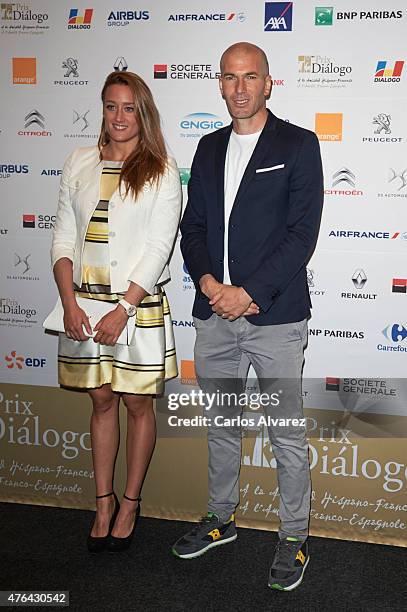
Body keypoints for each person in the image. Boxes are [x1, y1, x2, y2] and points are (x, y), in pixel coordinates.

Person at [173, 43, 323, 591]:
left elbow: (301, 233)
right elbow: (193, 229)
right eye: (230, 78)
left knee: (285, 432)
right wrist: (211, 283)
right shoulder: (209, 147)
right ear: (219, 84)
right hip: (214, 315)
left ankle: (294, 537)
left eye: (250, 77)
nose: (239, 88)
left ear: (268, 84)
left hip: (275, 316)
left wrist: (250, 292)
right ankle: (220, 519)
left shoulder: (299, 145)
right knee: (221, 428)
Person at [51, 71, 181, 553]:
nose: (119, 117)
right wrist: (68, 301)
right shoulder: (78, 162)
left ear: (143, 113)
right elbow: (64, 235)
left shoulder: (161, 168)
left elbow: (158, 247)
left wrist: (123, 308)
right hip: (83, 305)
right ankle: (102, 502)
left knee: (136, 403)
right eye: (111, 106)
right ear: (102, 110)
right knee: (101, 401)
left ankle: (130, 502)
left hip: (135, 306)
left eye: (129, 108)